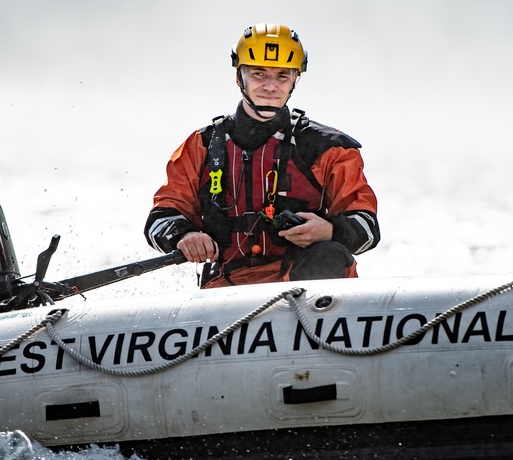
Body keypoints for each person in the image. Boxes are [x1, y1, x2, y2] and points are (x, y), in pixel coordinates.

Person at [145, 23, 380, 288]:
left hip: (308, 289)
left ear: (294, 80)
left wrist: (330, 231)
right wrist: (184, 236)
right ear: (239, 78)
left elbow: (367, 227)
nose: (270, 86)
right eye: (259, 74)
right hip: (226, 288)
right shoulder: (201, 146)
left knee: (330, 253)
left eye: (282, 76)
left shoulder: (331, 148)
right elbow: (161, 217)